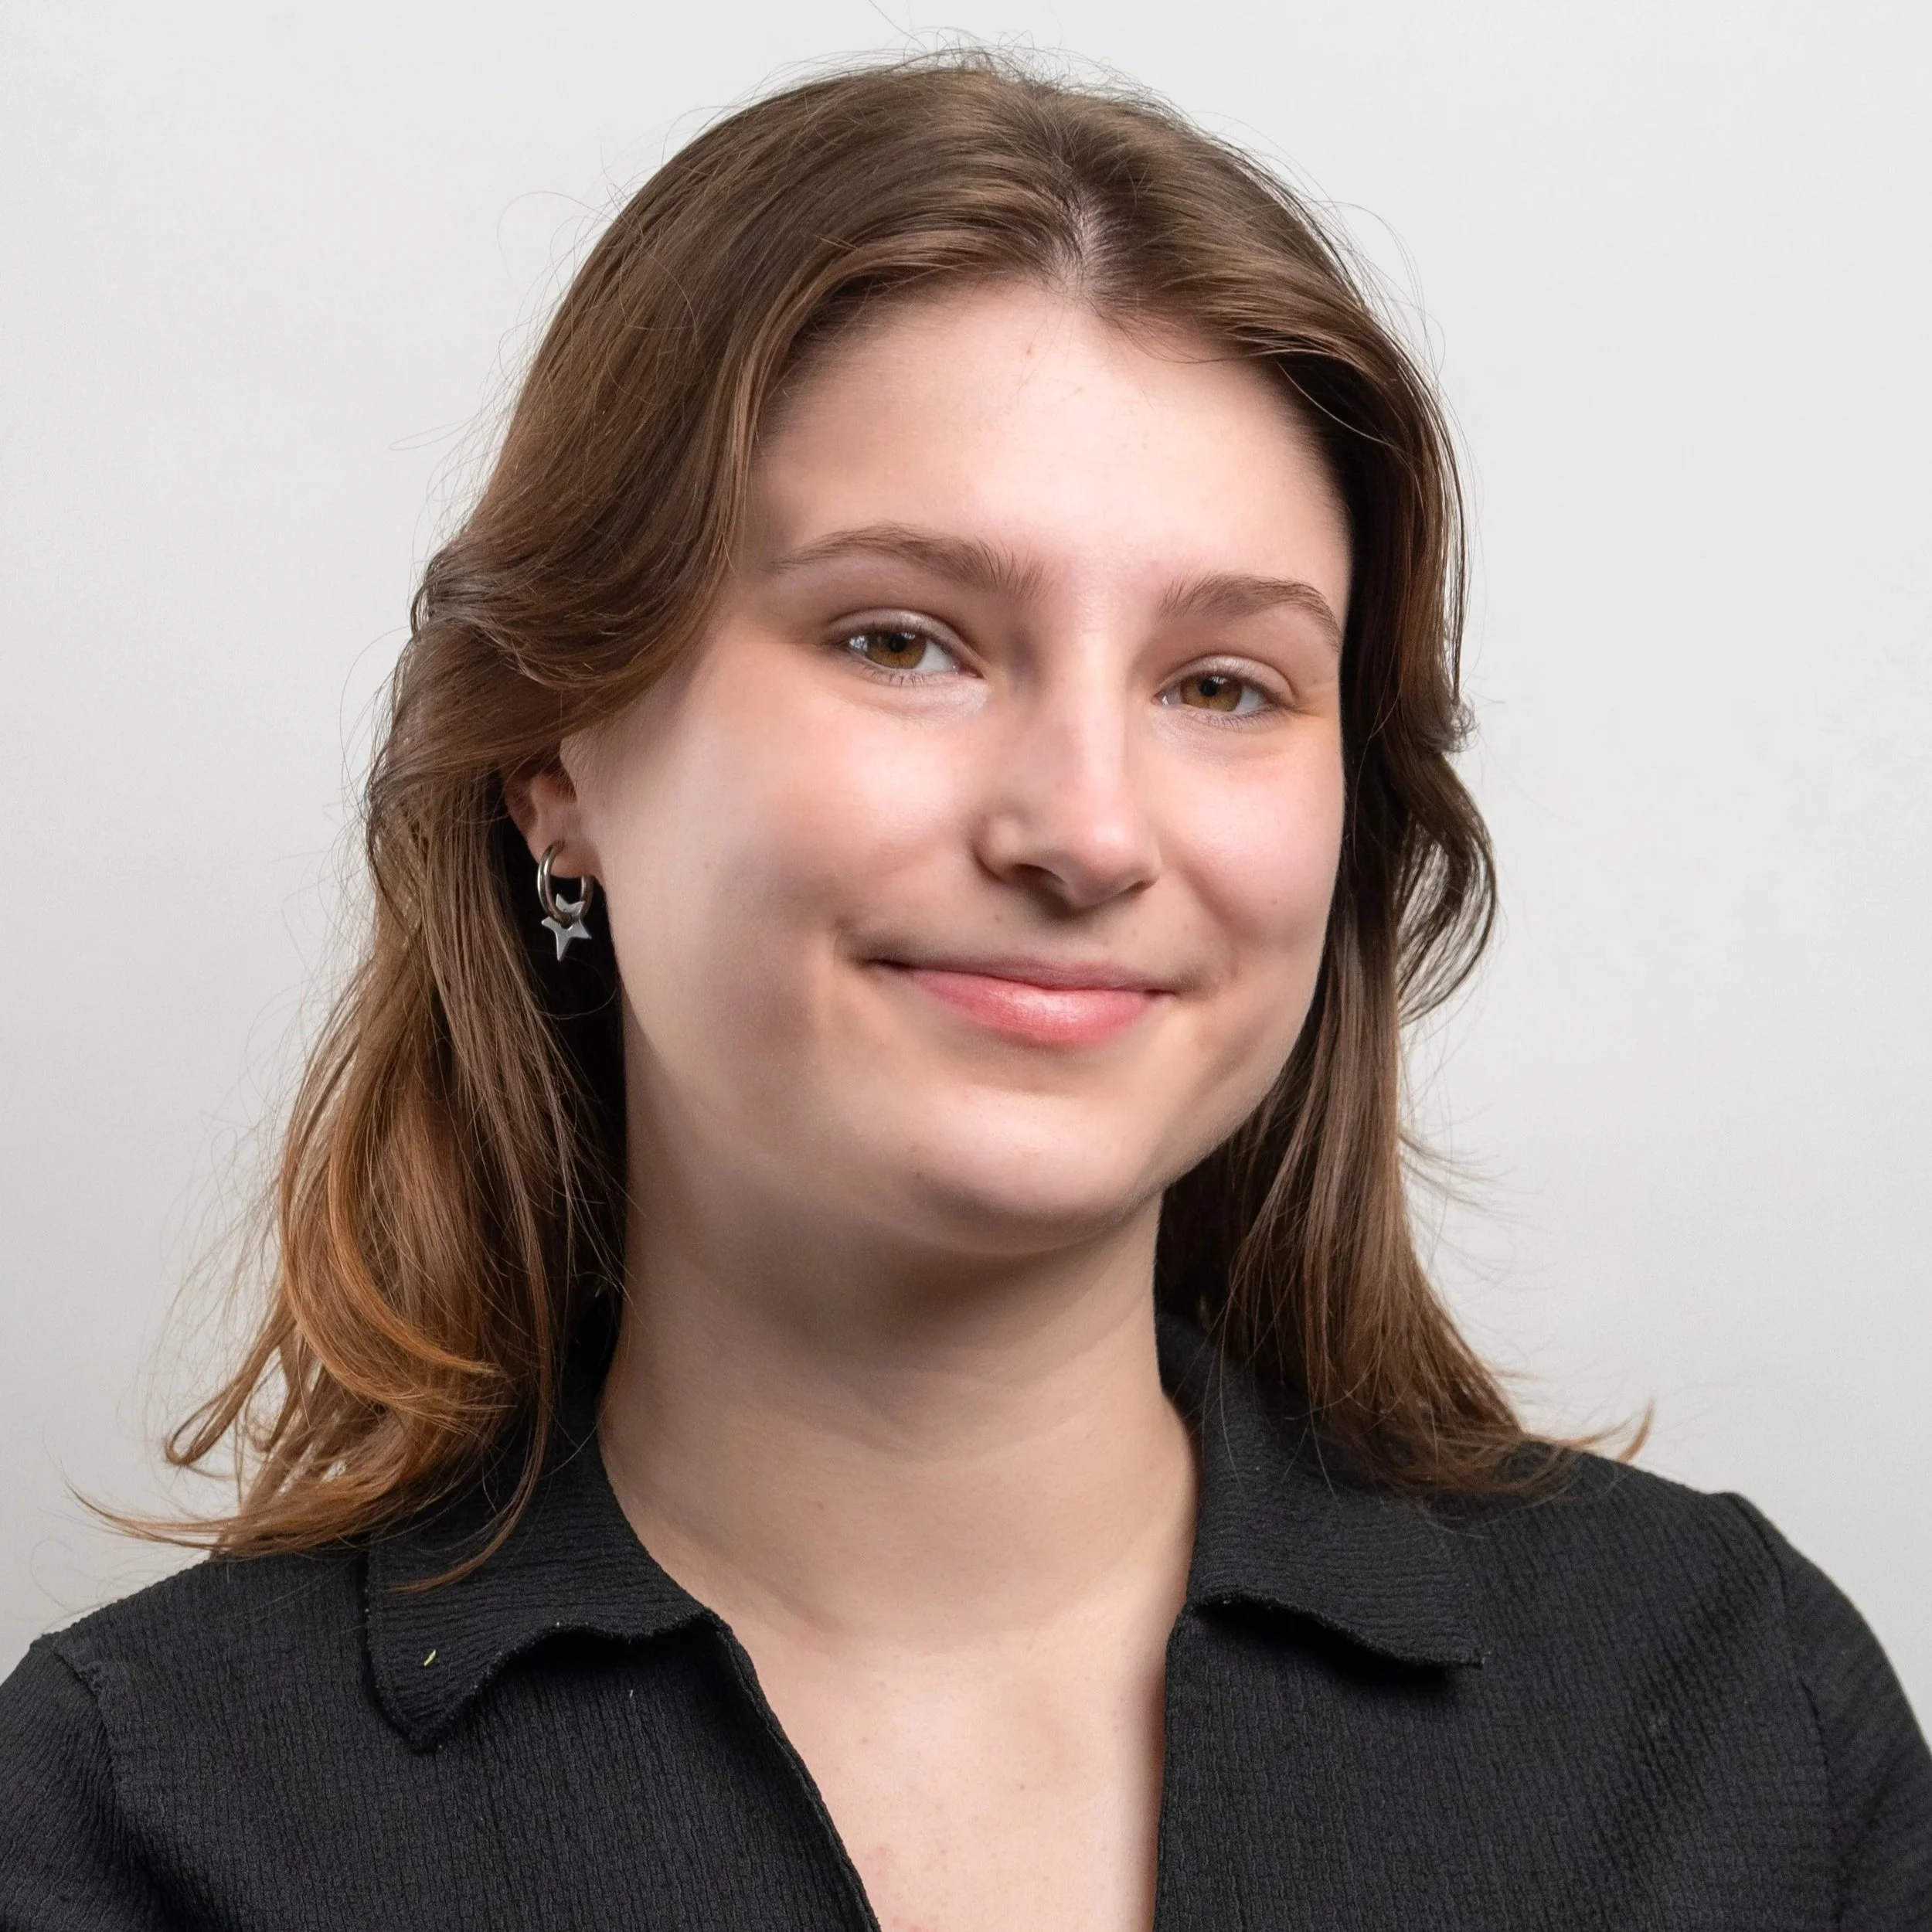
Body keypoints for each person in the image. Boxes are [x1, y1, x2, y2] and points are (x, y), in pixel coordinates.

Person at [1, 53, 1925, 1932]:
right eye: (902, 639)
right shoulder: (141, 1817)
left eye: (1222, 683)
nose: (1084, 829)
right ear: (555, 761)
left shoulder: (1733, 1712)